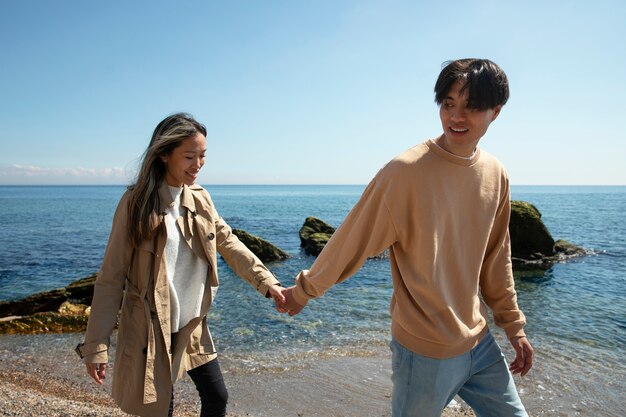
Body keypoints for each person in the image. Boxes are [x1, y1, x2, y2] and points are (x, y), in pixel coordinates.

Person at [279, 59, 533, 417]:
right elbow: (353, 238)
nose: (456, 116)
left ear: (496, 111)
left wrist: (513, 326)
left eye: (471, 106)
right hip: (424, 349)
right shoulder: (405, 172)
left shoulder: (496, 173)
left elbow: (496, 256)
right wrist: (304, 291)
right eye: (448, 103)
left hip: (478, 341)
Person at [75, 113, 285, 417]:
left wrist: (269, 284)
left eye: (202, 156)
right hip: (152, 330)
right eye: (189, 156)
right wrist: (96, 345)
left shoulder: (200, 198)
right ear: (163, 155)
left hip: (192, 326)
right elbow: (111, 277)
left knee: (217, 398)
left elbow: (227, 241)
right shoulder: (135, 204)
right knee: (161, 409)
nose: (197, 164)